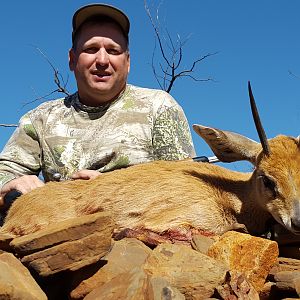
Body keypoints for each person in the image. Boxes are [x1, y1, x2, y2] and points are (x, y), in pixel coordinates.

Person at [0, 3, 195, 203]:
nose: (102, 60)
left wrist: (113, 192)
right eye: (91, 49)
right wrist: (12, 184)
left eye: (113, 50)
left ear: (127, 63)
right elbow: (5, 172)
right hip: (59, 226)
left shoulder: (159, 106)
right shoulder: (40, 119)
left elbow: (184, 187)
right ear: (72, 59)